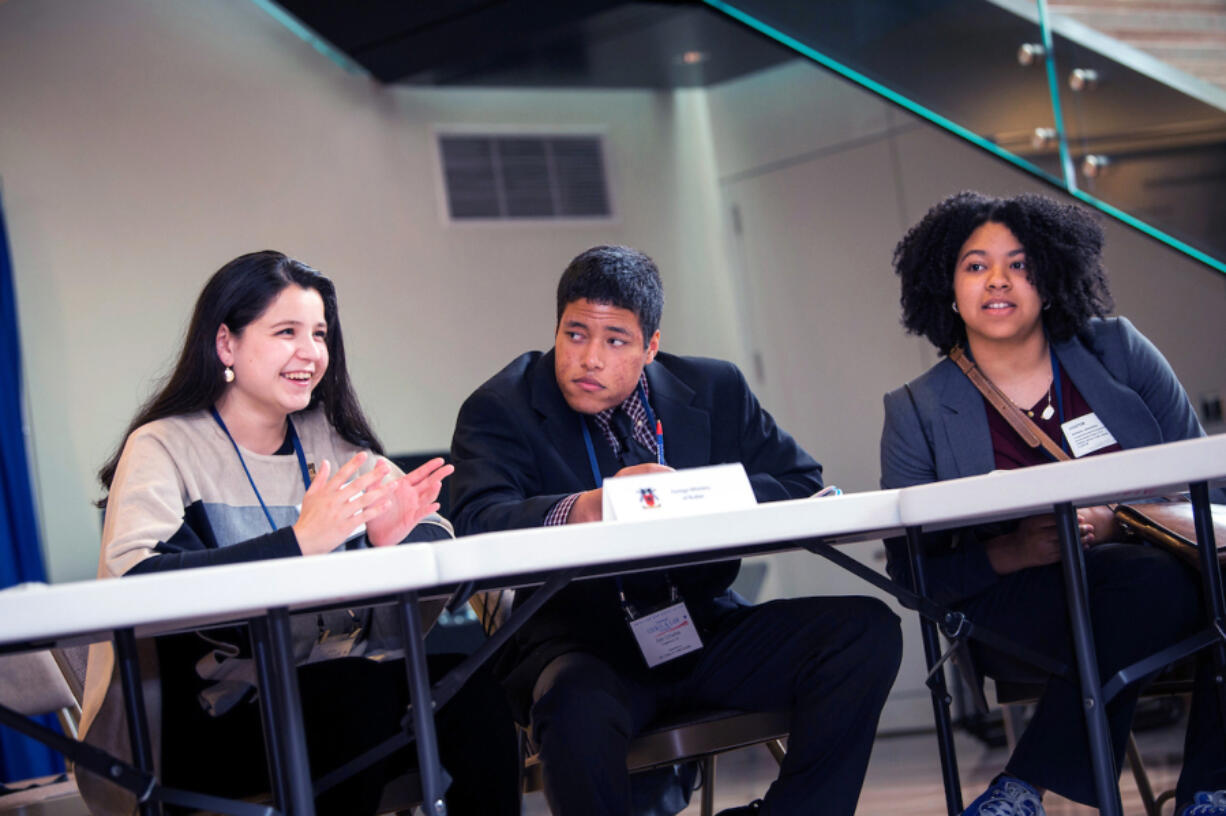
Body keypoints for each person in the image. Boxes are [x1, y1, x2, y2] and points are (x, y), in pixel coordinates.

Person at [449, 244, 902, 816]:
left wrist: (695, 498)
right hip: (579, 643)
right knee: (574, 703)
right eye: (575, 334)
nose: (589, 358)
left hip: (701, 625)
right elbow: (475, 522)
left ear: (651, 346)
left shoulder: (715, 388)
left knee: (866, 632)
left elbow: (799, 480)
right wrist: (589, 507)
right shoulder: (501, 407)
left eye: (615, 341)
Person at [79, 251, 518, 815]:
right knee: (352, 694)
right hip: (205, 722)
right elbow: (136, 581)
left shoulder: (330, 440)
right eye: (286, 332)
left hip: (336, 694)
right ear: (226, 345)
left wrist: (396, 545)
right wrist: (297, 544)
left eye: (319, 334)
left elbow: (435, 545)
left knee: (469, 686)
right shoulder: (164, 446)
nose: (311, 353)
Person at [880, 191, 1226, 816]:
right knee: (1163, 588)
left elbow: (1208, 480)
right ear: (946, 287)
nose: (999, 281)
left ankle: (1028, 791)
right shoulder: (918, 410)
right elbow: (912, 575)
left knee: (1161, 583)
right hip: (1017, 604)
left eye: (1020, 263)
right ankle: (1210, 793)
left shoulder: (1115, 350)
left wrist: (1118, 519)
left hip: (1156, 572)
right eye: (976, 265)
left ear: (1051, 275)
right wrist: (1013, 550)